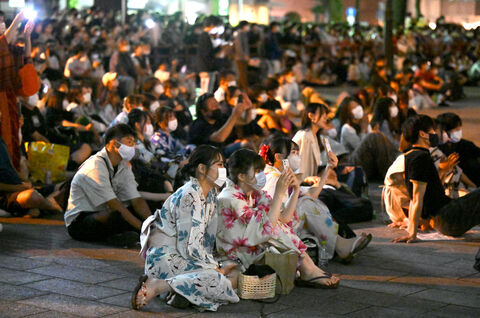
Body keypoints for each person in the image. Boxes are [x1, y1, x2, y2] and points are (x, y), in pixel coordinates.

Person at [133, 145, 239, 311]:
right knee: (218, 281)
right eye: (219, 164)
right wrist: (216, 268)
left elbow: (205, 241)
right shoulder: (190, 195)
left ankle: (177, 292)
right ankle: (157, 286)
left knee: (229, 277)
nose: (223, 169)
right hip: (167, 256)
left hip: (184, 256)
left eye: (223, 165)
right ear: (202, 169)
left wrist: (215, 265)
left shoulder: (210, 194)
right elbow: (189, 246)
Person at [217, 149, 340, 288]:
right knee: (274, 227)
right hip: (235, 253)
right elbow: (265, 231)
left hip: (253, 244)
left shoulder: (254, 193)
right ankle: (307, 268)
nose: (262, 175)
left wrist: (295, 190)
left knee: (277, 224)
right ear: (241, 176)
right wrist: (279, 193)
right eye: (257, 171)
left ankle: (307, 267)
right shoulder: (229, 198)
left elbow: (284, 218)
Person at [261, 136, 372, 263]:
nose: (297, 156)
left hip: (283, 223)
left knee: (310, 202)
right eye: (293, 153)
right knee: (306, 204)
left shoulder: (282, 175)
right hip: (276, 229)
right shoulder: (273, 178)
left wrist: (328, 168)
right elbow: (277, 215)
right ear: (279, 157)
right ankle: (341, 246)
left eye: (297, 153)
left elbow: (312, 193)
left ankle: (340, 244)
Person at [394, 115, 480, 243]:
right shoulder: (420, 158)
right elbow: (417, 198)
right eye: (432, 131)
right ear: (422, 134)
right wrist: (412, 233)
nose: (435, 134)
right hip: (448, 217)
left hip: (446, 217)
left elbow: (416, 197)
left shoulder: (411, 156)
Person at [65, 124, 152, 242]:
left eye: (133, 142)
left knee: (146, 207)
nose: (133, 146)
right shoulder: (95, 166)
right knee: (116, 215)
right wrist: (143, 228)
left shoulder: (122, 165)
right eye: (129, 142)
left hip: (105, 210)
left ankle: (129, 233)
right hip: (81, 221)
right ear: (114, 144)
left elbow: (136, 199)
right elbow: (113, 203)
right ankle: (122, 235)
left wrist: (152, 224)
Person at [0, 110, 62, 217]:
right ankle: (52, 206)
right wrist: (19, 188)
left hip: (20, 187)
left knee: (64, 186)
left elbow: (11, 168)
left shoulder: (1, 140)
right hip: (7, 195)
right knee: (31, 196)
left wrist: (26, 182)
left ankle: (37, 208)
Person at [233, 21, 250, 90]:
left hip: (241, 57)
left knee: (242, 74)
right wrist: (245, 56)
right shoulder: (240, 34)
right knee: (242, 74)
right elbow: (239, 46)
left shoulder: (242, 33)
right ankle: (245, 89)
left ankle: (240, 89)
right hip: (240, 57)